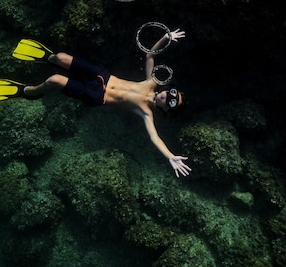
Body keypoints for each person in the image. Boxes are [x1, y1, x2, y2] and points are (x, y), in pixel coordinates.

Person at [22, 29, 192, 178]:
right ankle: (49, 58)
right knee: (60, 57)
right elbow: (150, 55)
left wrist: (170, 156)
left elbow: (155, 138)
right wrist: (166, 37)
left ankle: (30, 92)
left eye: (171, 101)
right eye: (172, 93)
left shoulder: (146, 112)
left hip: (96, 95)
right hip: (102, 76)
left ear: (167, 110)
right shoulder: (152, 82)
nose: (168, 96)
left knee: (54, 80)